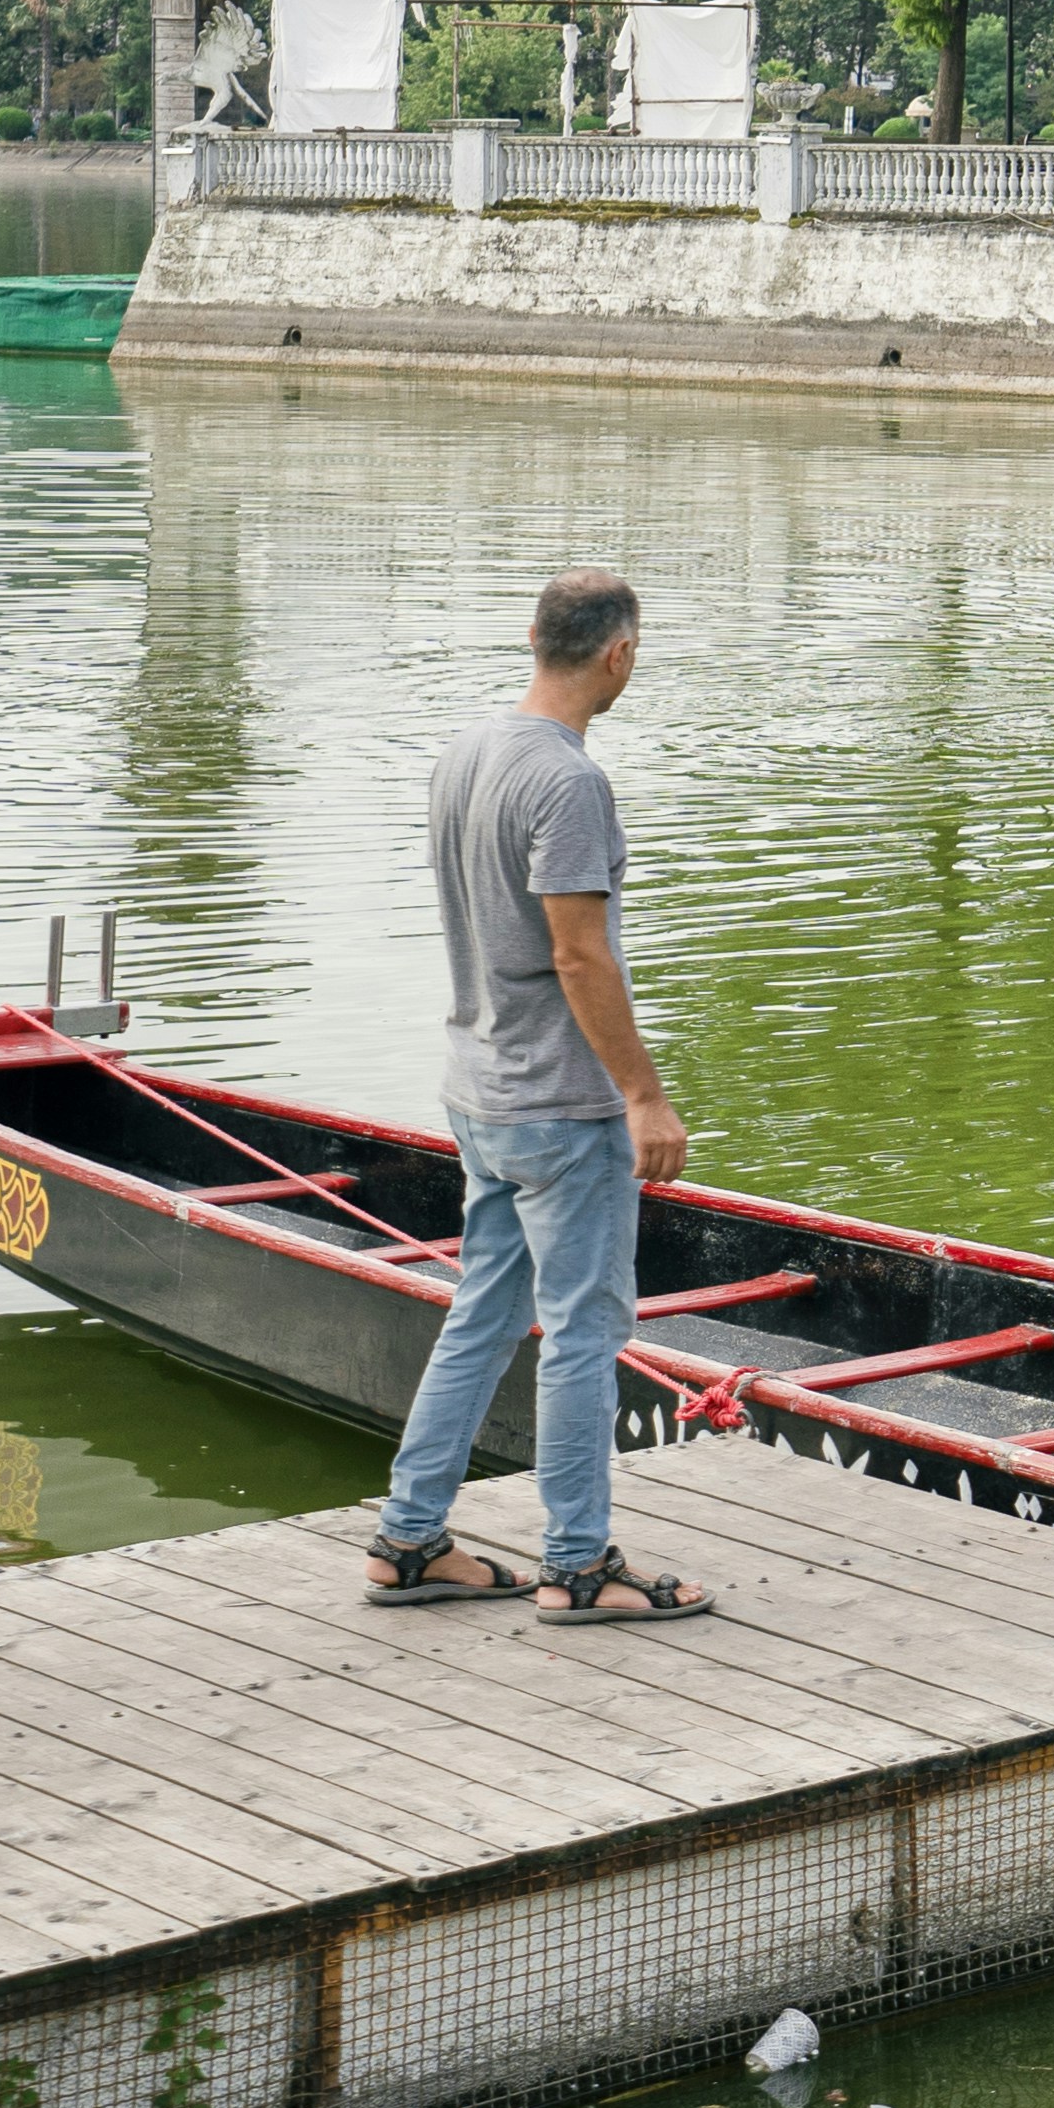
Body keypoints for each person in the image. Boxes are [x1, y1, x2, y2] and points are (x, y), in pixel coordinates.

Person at [364, 566, 717, 1628]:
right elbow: (579, 955)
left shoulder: (469, 748)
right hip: (559, 1108)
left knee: (483, 1313)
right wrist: (644, 1098)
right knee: (581, 1332)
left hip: (479, 1087)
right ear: (619, 654)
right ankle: (577, 1564)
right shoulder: (567, 783)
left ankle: (410, 1538)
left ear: (532, 638)